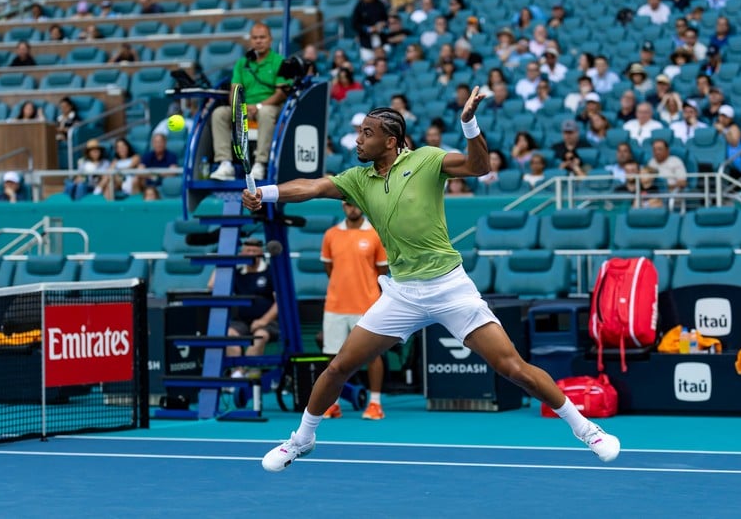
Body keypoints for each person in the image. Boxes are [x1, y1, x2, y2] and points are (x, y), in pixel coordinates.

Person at [243, 90, 621, 472]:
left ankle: (586, 430)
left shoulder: (426, 160)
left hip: (449, 287)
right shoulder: (358, 179)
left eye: (367, 133)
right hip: (402, 293)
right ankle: (302, 440)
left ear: (390, 141)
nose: (358, 140)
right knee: (339, 366)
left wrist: (468, 123)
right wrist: (266, 193)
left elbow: (477, 166)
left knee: (513, 368)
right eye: (359, 133)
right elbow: (313, 187)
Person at [320, 201, 389, 420]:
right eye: (348, 205)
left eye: (355, 205)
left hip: (367, 306)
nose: (352, 208)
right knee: (332, 356)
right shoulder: (330, 234)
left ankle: (375, 404)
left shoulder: (374, 234)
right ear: (343, 207)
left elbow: (382, 271)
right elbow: (330, 268)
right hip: (335, 305)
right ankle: (333, 404)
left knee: (372, 355)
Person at [210, 22, 289, 181]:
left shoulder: (280, 61)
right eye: (255, 38)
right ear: (250, 41)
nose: (258, 41)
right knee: (219, 113)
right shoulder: (242, 63)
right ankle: (225, 164)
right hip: (244, 108)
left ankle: (260, 163)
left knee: (266, 113)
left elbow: (282, 93)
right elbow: (234, 90)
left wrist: (259, 106)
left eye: (262, 37)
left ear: (270, 40)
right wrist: (241, 108)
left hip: (270, 107)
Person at [206, 238, 279, 375]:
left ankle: (247, 372)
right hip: (241, 322)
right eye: (247, 251)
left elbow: (279, 303)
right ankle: (238, 373)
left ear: (261, 254)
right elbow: (211, 286)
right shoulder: (238, 273)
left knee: (259, 336)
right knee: (228, 334)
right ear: (241, 254)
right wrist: (225, 263)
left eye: (254, 251)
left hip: (268, 323)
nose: (251, 254)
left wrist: (263, 321)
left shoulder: (270, 273)